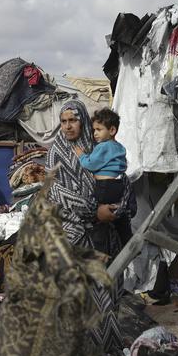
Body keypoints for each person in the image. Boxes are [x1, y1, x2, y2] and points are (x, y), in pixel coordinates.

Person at [46, 99, 135, 352]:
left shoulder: (98, 144)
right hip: (73, 232)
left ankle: (105, 347)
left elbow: (122, 179)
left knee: (105, 291)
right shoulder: (56, 152)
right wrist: (93, 210)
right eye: (63, 122)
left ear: (83, 120)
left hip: (104, 235)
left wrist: (117, 209)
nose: (67, 126)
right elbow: (55, 192)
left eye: (73, 120)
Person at [73, 107, 133, 255]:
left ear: (112, 130)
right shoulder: (119, 147)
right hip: (117, 185)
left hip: (104, 186)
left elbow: (90, 164)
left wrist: (81, 155)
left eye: (99, 130)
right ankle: (128, 242)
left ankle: (99, 245)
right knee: (119, 218)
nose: (95, 134)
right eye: (94, 130)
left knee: (98, 215)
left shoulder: (103, 147)